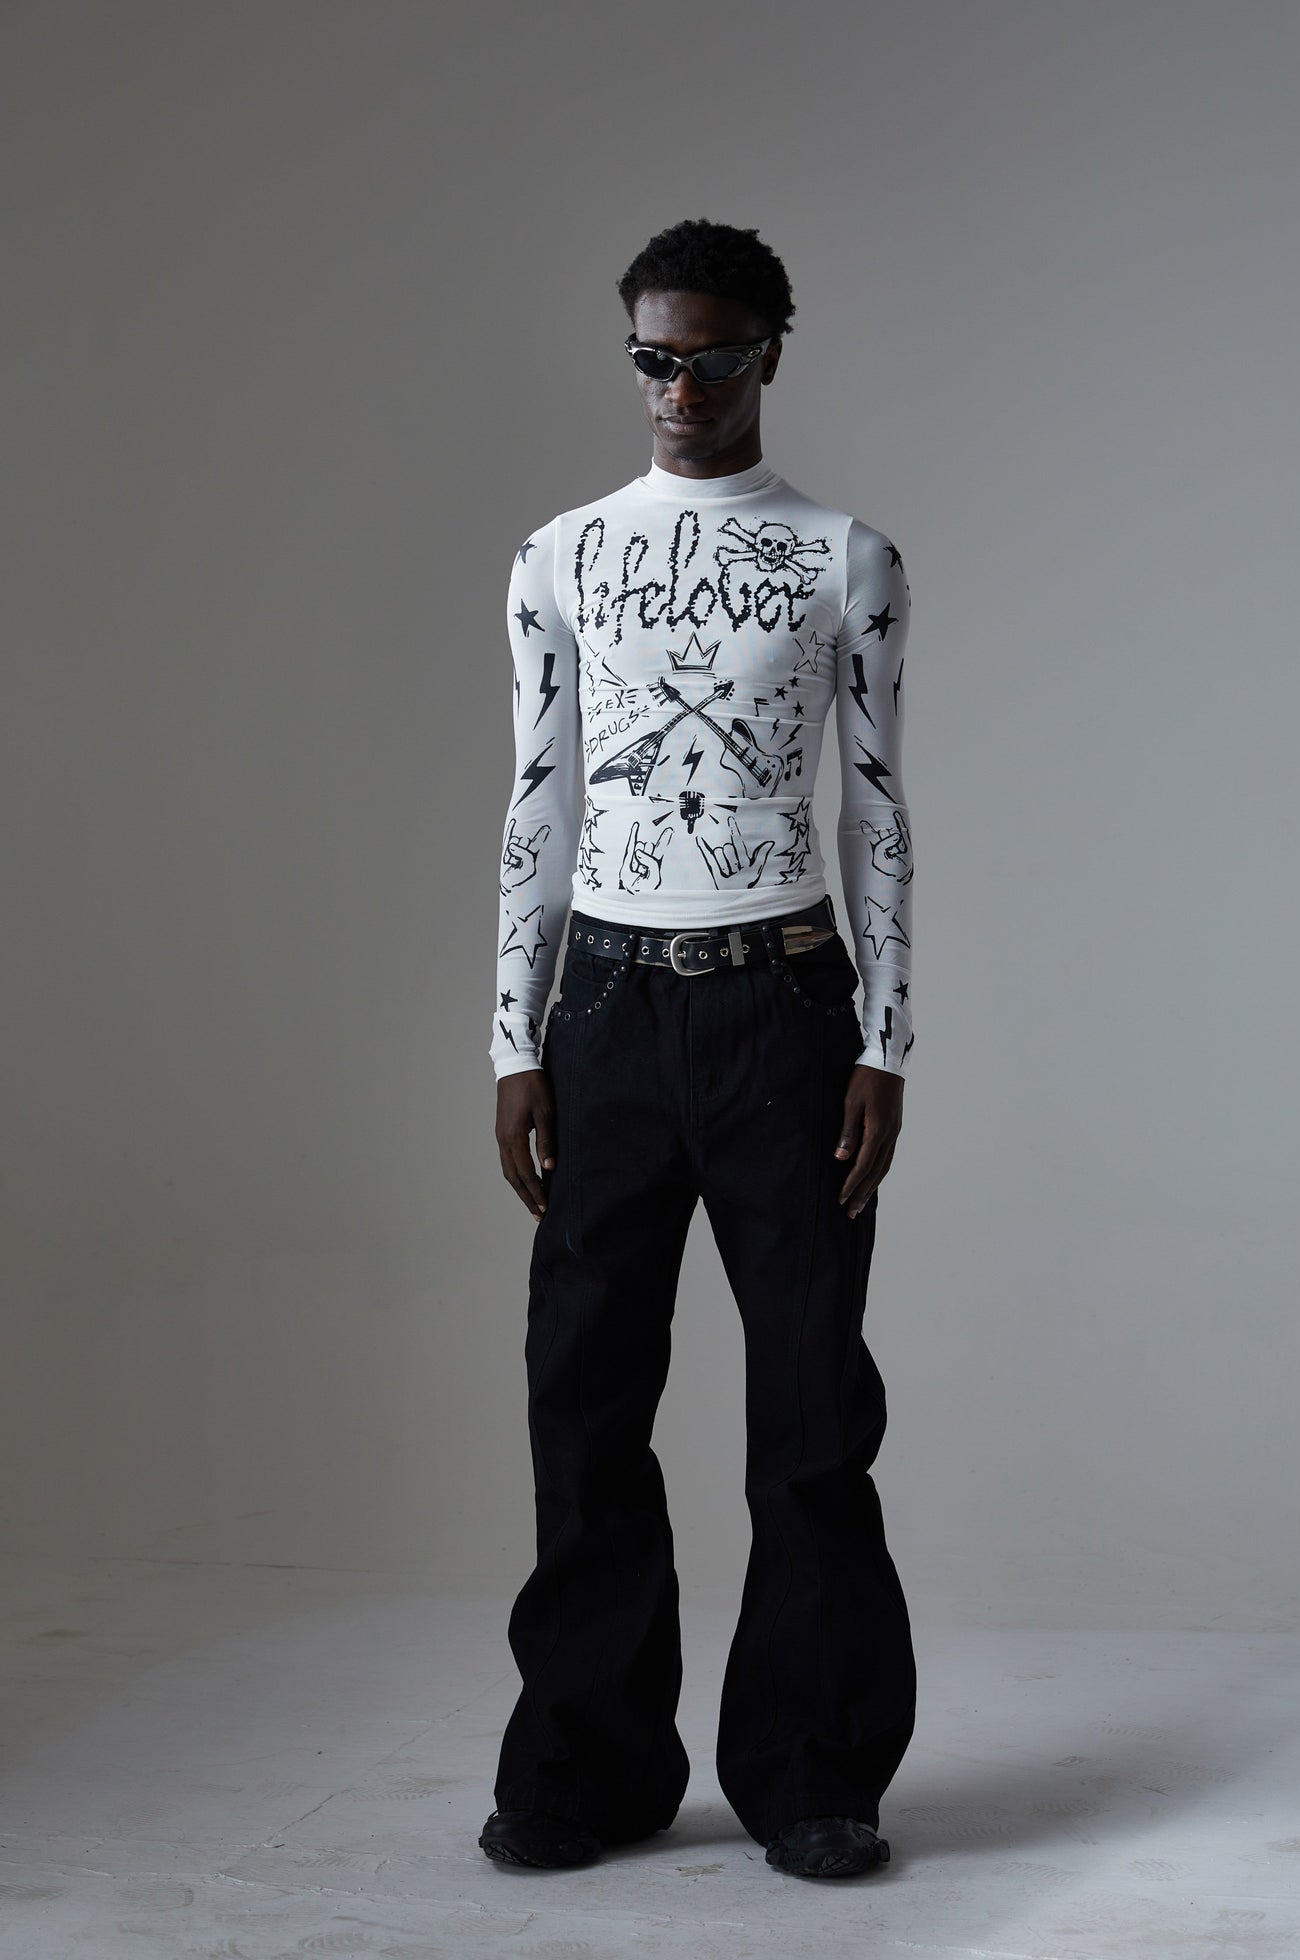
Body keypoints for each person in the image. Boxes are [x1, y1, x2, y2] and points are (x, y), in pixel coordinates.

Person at [479, 217, 917, 1882]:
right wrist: (511, 1039)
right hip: (606, 1009)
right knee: (583, 1398)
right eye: (653, 359)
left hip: (782, 1008)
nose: (679, 388)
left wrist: (887, 1040)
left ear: (767, 356)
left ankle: (813, 1772)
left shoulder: (843, 559)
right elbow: (538, 800)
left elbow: (875, 807)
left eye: (711, 358)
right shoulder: (560, 558)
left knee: (811, 1407)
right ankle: (583, 1766)